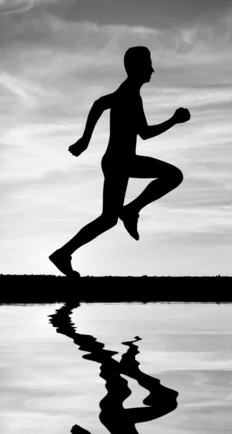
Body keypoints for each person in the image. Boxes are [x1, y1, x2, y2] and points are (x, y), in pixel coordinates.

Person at [49, 46, 190, 277]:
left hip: (119, 161)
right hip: (120, 161)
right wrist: (173, 120)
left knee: (107, 219)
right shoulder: (129, 94)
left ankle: (63, 254)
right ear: (134, 67)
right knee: (174, 175)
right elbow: (143, 132)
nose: (152, 69)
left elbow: (100, 104)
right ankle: (131, 210)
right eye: (147, 64)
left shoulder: (130, 92)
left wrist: (85, 140)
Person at [49, 302, 192, 434]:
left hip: (118, 419)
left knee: (124, 381)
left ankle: (67, 329)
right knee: (124, 382)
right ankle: (127, 365)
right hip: (118, 419)